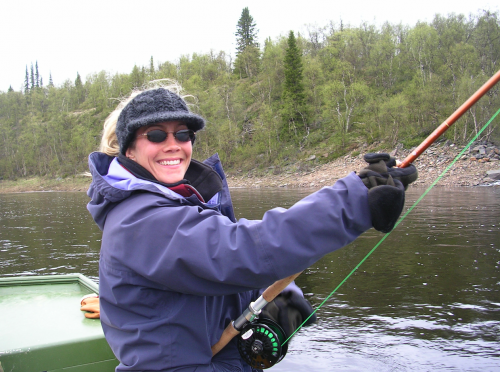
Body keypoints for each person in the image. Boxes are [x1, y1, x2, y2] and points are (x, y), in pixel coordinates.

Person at [86, 82, 417, 371]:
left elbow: (228, 277)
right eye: (156, 134)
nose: (173, 144)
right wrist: (352, 200)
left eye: (183, 134)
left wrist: (280, 297)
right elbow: (240, 252)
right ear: (129, 148)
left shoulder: (179, 202)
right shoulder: (139, 220)